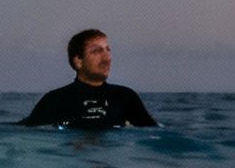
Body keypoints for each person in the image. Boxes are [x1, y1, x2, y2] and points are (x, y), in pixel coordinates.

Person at [19, 29, 158, 128]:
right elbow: (27, 132)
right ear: (78, 61)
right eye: (96, 51)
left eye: (107, 50)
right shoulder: (55, 100)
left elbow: (154, 133)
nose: (106, 58)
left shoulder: (125, 97)